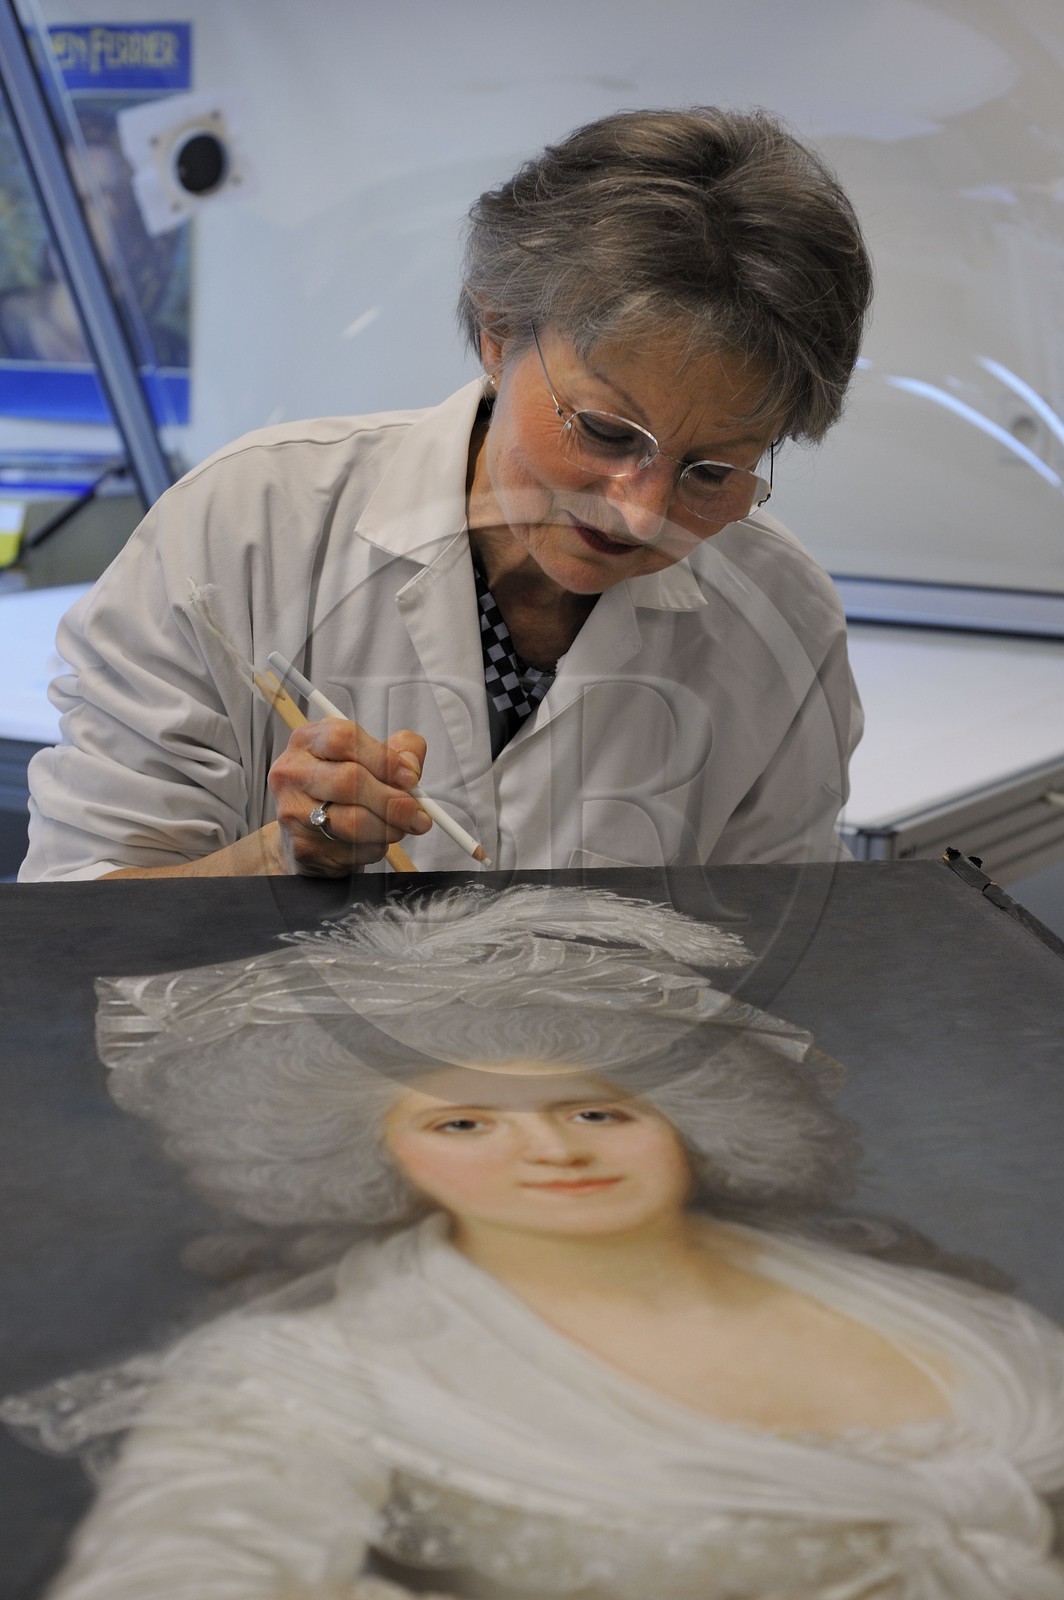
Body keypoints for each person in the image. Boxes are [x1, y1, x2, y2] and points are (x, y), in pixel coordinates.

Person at [6, 887, 1064, 1598]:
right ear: (383, 1161)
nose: (552, 1148)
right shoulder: (301, 1375)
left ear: (688, 1127)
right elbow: (188, 1567)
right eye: (462, 1123)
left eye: (598, 1111)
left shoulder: (937, 1312)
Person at [20, 107, 871, 882]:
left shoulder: (781, 616)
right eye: (608, 433)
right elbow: (77, 935)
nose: (641, 511)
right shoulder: (245, 527)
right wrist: (280, 859)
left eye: (712, 473)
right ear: (498, 333)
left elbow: (775, 954)